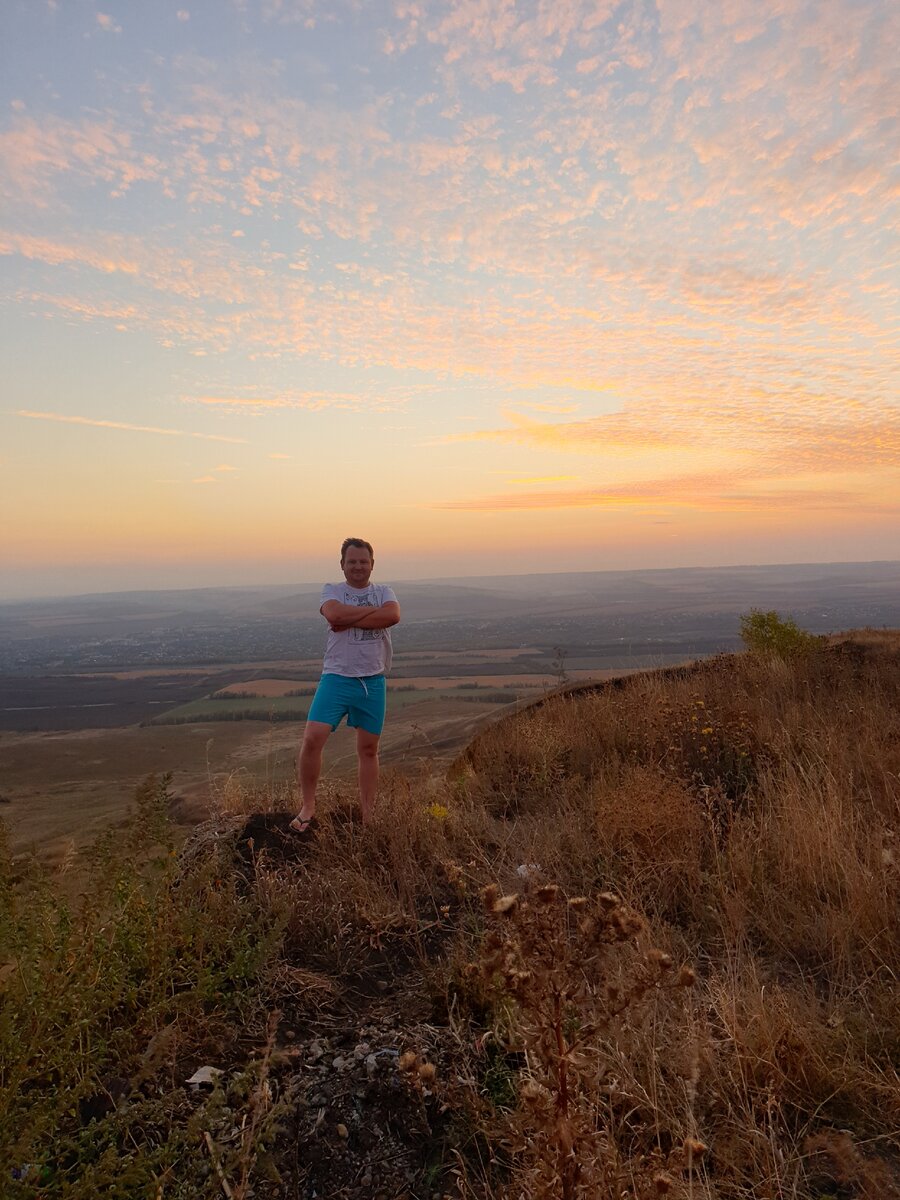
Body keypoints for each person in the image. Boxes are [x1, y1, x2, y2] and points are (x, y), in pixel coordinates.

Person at [290, 538, 400, 833]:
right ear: (342, 565)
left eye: (363, 561)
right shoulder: (333, 590)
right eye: (352, 561)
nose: (358, 566)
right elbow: (334, 615)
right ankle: (308, 806)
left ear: (372, 564)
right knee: (313, 738)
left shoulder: (384, 591)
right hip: (337, 677)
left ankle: (368, 816)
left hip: (373, 680)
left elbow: (393, 616)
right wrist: (369, 617)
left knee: (368, 749)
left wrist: (349, 619)